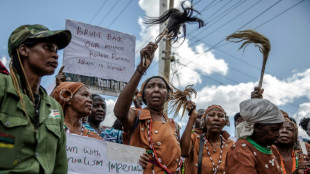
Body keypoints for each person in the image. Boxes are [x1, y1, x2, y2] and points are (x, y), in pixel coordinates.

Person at [0, 24, 71, 173]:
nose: (55, 54)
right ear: (24, 50)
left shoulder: (54, 108)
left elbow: (60, 164)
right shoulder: (3, 87)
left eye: (56, 50)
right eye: (47, 47)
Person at [114, 42, 183, 173]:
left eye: (161, 86)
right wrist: (141, 69)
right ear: (143, 96)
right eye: (150, 86)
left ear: (167, 95)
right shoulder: (137, 116)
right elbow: (119, 112)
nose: (156, 89)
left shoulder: (173, 125)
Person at [225, 98, 284, 174]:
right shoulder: (241, 150)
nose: (278, 134)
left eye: (279, 130)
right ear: (257, 127)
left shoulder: (272, 149)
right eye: (274, 130)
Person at [181, 104, 233, 174]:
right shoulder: (195, 139)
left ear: (226, 122)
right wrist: (192, 117)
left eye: (220, 116)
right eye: (211, 115)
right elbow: (183, 152)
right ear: (204, 121)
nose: (216, 118)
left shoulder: (231, 145)